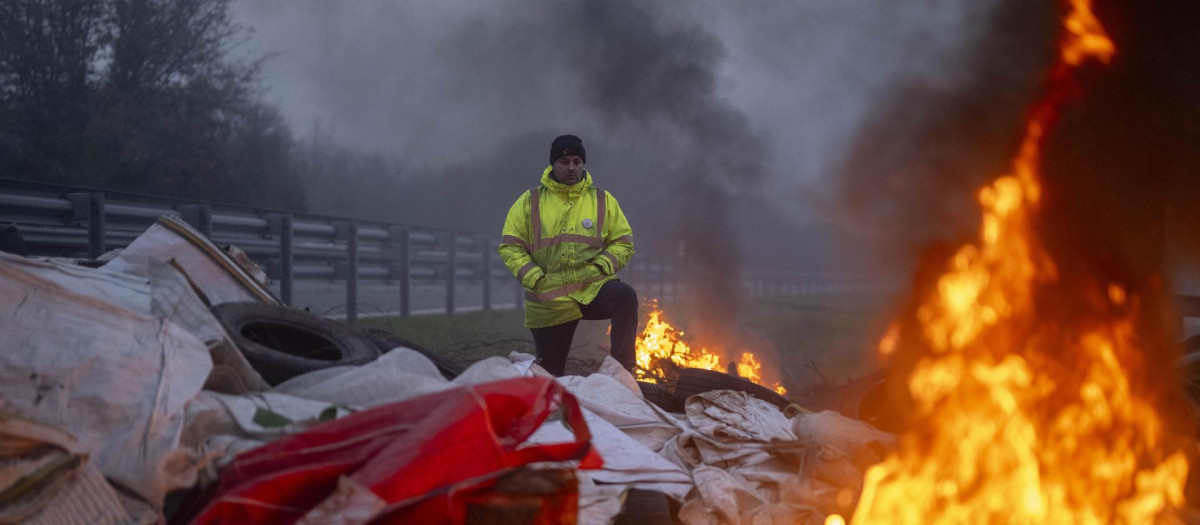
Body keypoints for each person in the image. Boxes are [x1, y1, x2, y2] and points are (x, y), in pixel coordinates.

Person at [498, 134, 638, 376]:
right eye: (564, 162)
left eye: (576, 161)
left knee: (624, 296)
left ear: (583, 163)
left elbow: (623, 243)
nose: (571, 167)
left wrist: (601, 267)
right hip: (549, 300)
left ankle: (623, 374)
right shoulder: (529, 202)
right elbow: (510, 247)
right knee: (551, 375)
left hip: (590, 289)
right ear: (553, 165)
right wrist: (535, 279)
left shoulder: (603, 200)